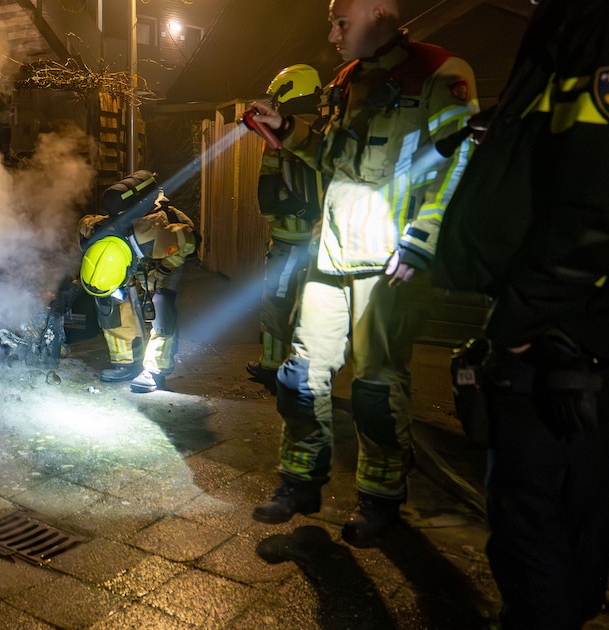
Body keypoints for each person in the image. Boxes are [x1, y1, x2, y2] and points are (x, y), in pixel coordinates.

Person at [245, 0, 479, 549]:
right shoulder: (347, 81)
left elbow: (461, 160)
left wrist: (423, 240)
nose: (330, 34)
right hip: (333, 253)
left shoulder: (442, 72)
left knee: (376, 389)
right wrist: (287, 129)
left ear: (380, 12)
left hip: (391, 261)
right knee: (299, 377)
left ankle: (380, 500)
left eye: (340, 22)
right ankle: (298, 483)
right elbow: (333, 157)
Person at [433, 0, 609, 626]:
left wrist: (516, 330)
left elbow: (592, 206)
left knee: (534, 534)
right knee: (575, 531)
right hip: (566, 337)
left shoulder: (591, 26)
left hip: (557, 346)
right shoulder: (570, 25)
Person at [79, 172, 197, 393]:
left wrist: (163, 269)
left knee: (161, 307)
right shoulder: (93, 233)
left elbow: (190, 243)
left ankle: (155, 370)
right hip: (133, 261)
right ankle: (127, 362)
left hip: (168, 258)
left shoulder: (155, 236)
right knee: (112, 304)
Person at [247, 64, 326, 391]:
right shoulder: (327, 131)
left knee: (278, 299)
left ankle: (273, 367)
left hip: (289, 239)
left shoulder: (282, 135)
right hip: (324, 241)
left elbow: (267, 189)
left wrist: (275, 218)